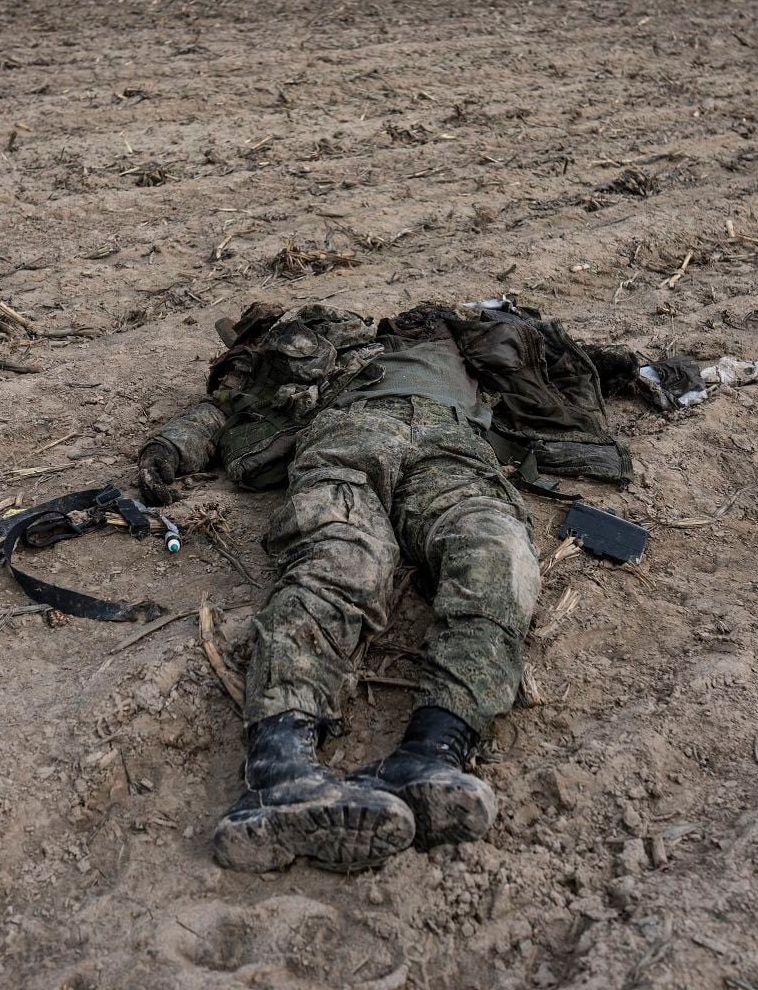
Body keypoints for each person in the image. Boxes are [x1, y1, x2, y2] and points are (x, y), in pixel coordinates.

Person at [139, 300, 677, 872]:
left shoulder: (462, 344)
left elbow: (567, 361)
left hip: (453, 448)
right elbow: (221, 407)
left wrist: (652, 372)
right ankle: (279, 771)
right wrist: (169, 449)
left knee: (498, 551)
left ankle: (433, 751)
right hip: (344, 440)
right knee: (340, 562)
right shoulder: (302, 356)